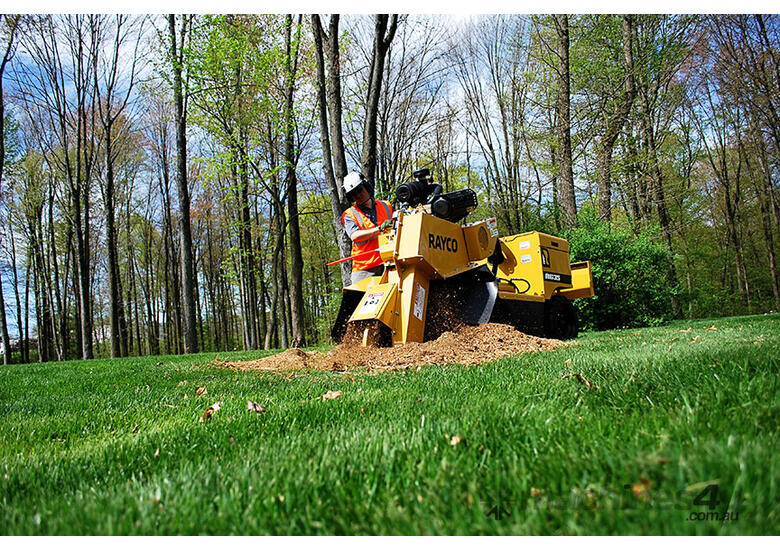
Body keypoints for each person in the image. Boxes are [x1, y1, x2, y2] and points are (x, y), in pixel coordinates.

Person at [341, 172, 393, 284]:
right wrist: (378, 229)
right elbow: (354, 236)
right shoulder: (350, 214)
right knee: (358, 300)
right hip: (364, 269)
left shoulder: (386, 206)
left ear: (366, 187)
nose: (358, 195)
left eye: (360, 190)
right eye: (354, 194)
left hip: (389, 262)